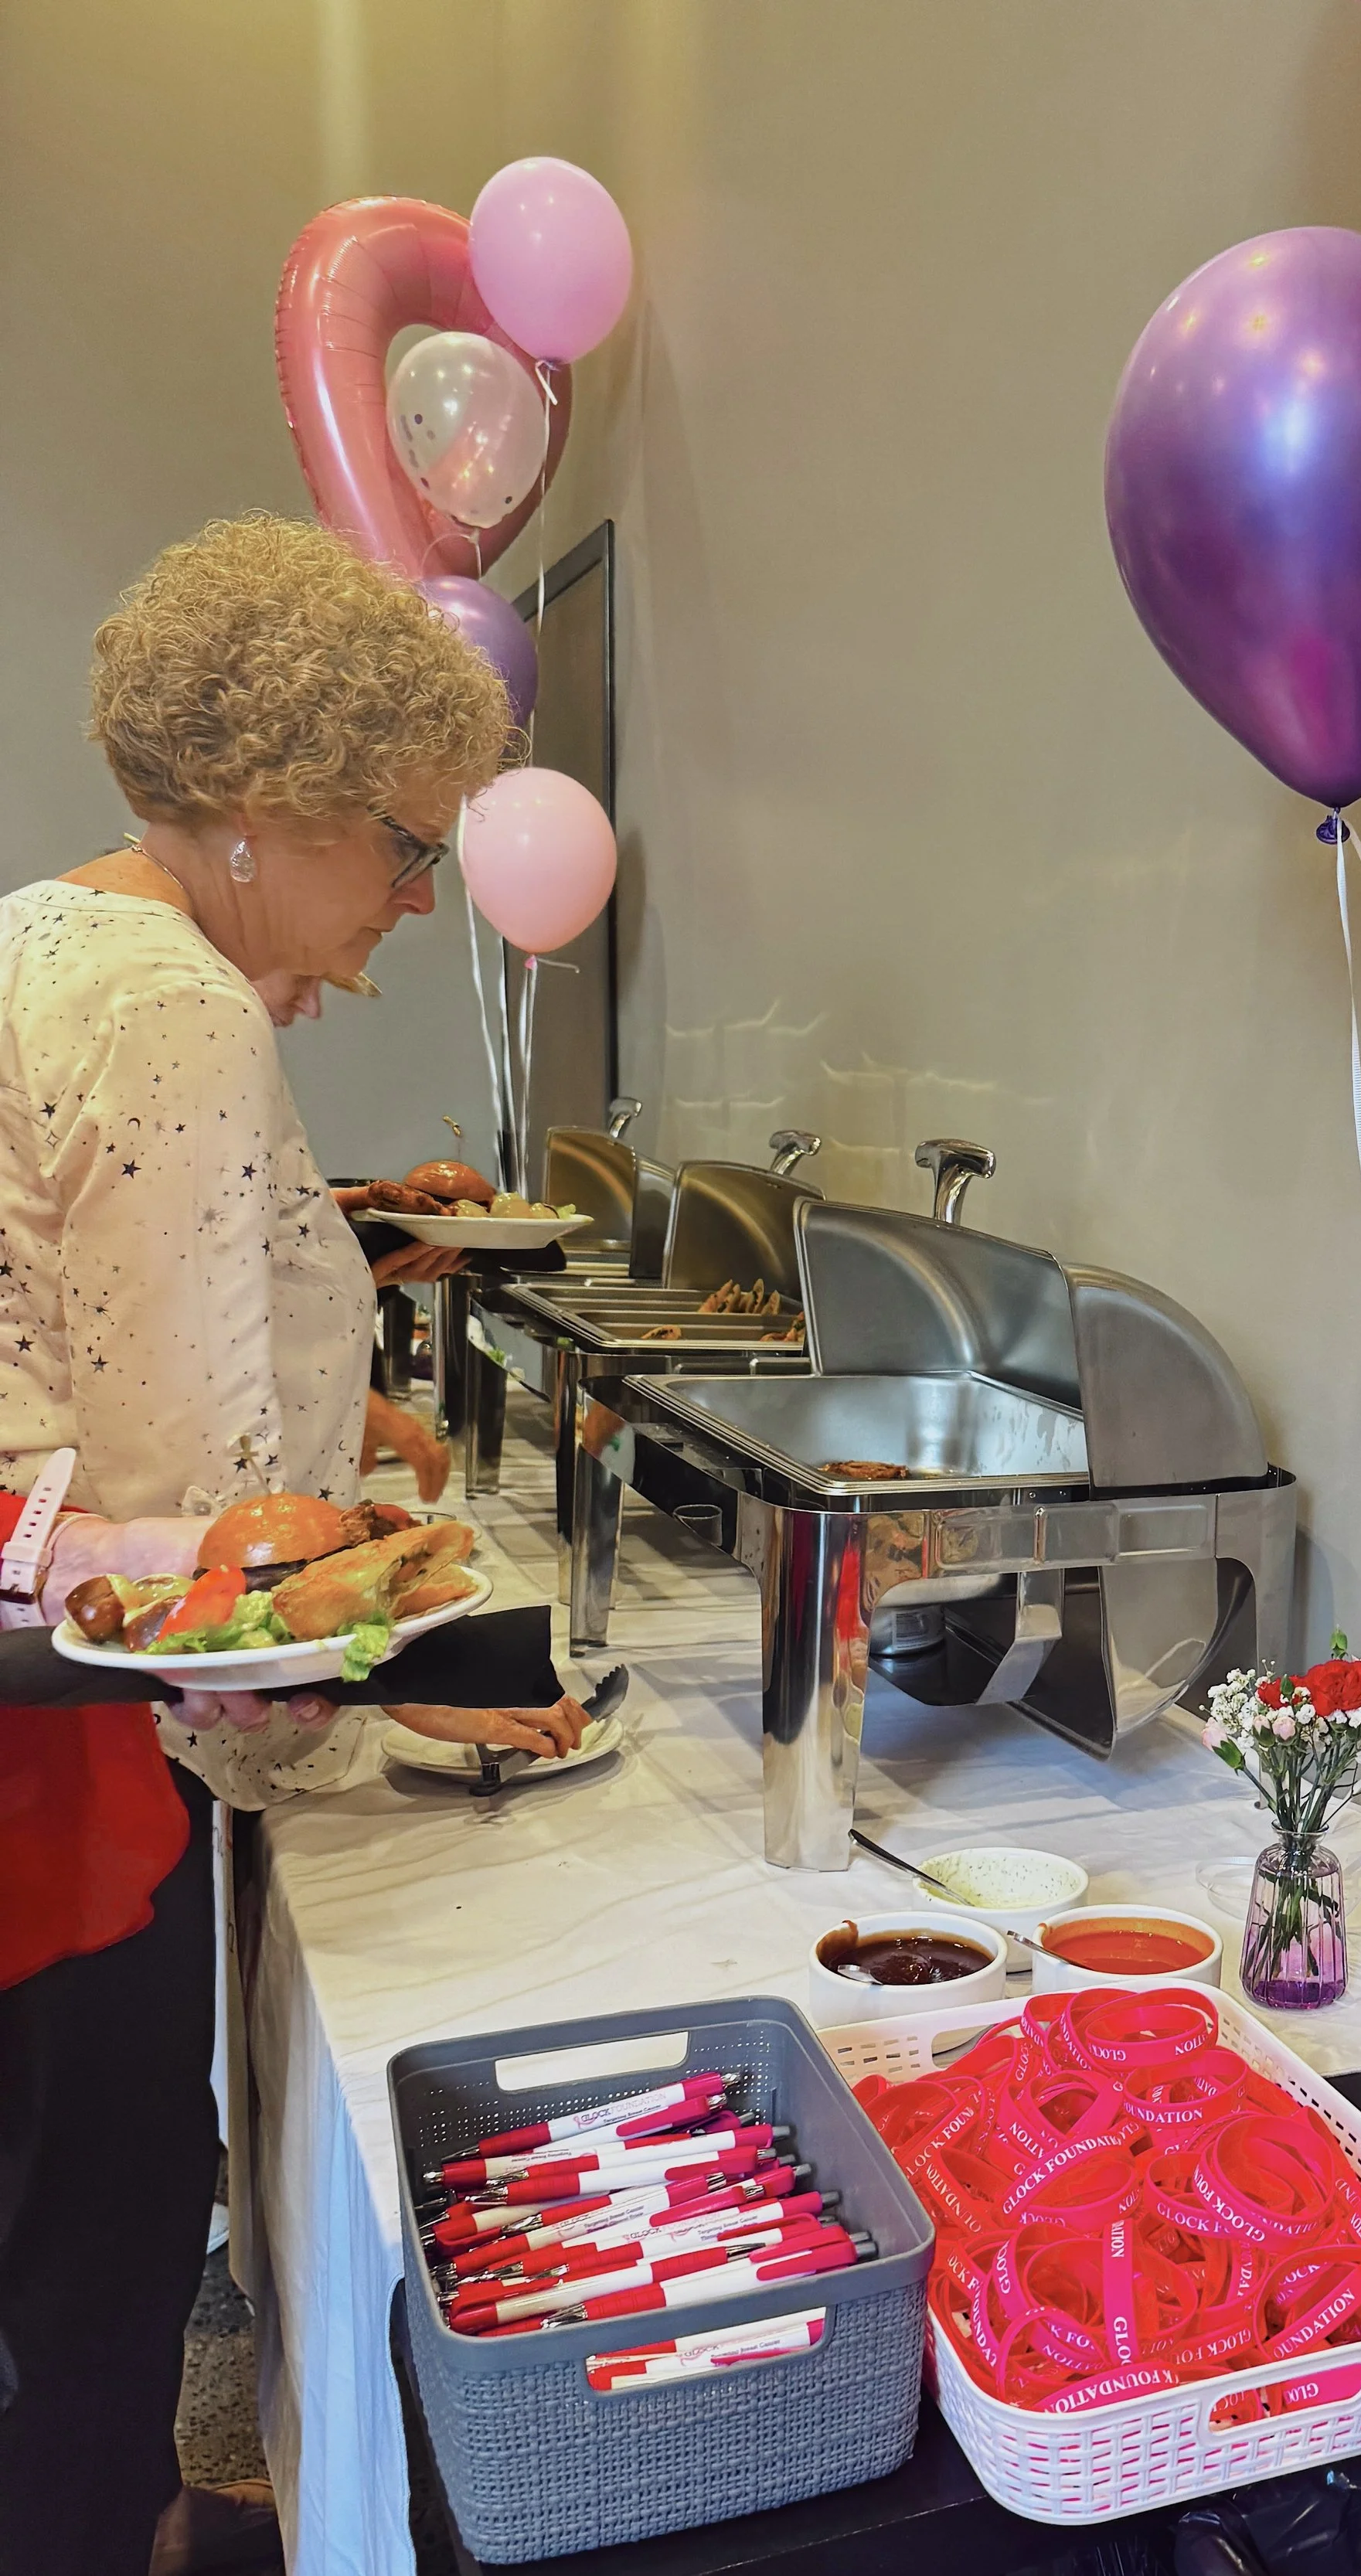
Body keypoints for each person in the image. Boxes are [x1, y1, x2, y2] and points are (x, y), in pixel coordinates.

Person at [0, 516, 580, 2576]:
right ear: (270, 813)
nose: (423, 896)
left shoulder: (50, 934)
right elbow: (204, 1549)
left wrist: (355, 1419)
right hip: (65, 1799)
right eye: (407, 846)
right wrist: (357, 1708)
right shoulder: (173, 1010)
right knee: (89, 2297)